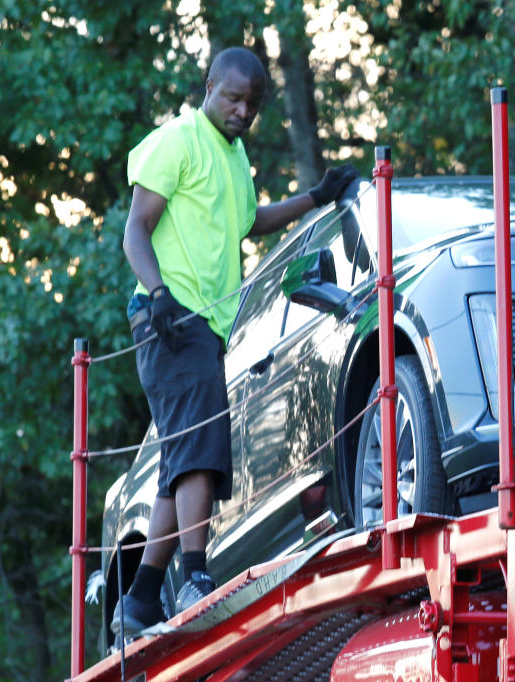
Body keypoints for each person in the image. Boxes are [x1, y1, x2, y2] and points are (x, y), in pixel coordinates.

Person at [112, 47, 358, 636]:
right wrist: (159, 294)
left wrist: (316, 198)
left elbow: (251, 221)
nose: (242, 110)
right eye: (233, 97)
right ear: (209, 87)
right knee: (200, 449)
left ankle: (142, 597)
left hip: (205, 326)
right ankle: (194, 572)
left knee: (184, 455)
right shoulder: (179, 140)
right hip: (173, 321)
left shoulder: (234, 155)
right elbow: (134, 231)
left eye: (252, 103)